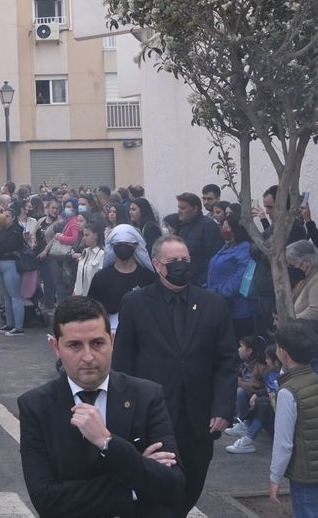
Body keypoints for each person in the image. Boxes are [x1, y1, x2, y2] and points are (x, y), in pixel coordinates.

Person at [17, 296, 183, 517]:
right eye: (74, 345)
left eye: (97, 343)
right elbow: (46, 500)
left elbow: (172, 486)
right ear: (55, 346)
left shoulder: (146, 395)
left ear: (112, 340)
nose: (88, 357)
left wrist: (107, 442)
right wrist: (136, 482)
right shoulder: (36, 407)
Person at [112, 236, 238, 518]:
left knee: (191, 483)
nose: (182, 266)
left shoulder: (213, 304)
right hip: (152, 416)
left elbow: (227, 361)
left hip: (198, 418)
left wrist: (222, 408)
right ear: (157, 265)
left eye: (186, 260)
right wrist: (124, 411)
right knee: (155, 487)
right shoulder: (135, 302)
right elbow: (123, 362)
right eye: (174, 261)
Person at [267, 320, 318, 517]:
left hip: (305, 475)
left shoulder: (288, 392)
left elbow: (284, 442)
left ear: (283, 353)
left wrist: (275, 477)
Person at [206, 214, 256, 338]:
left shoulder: (245, 249)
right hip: (219, 303)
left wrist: (220, 291)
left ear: (236, 230)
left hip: (237, 308)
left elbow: (240, 278)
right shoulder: (227, 246)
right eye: (222, 226)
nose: (223, 230)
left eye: (226, 227)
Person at [0, 204, 29, 334]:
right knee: (6, 297)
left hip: (10, 264)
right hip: (0, 263)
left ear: (13, 218)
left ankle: (18, 327)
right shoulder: (0, 229)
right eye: (3, 216)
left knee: (15, 296)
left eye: (7, 216)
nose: (4, 218)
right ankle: (9, 323)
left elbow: (9, 246)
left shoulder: (16, 230)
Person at [168, 194, 220, 285]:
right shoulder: (181, 226)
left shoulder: (208, 226)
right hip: (181, 280)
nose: (179, 211)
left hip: (197, 283)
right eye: (179, 208)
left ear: (195, 209)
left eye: (183, 208)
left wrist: (201, 283)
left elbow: (212, 257)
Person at [70, 222, 106, 298]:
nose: (84, 238)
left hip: (93, 297)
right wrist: (75, 292)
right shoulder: (85, 252)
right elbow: (79, 276)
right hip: (79, 296)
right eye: (83, 235)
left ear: (96, 235)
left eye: (87, 235)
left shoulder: (102, 254)